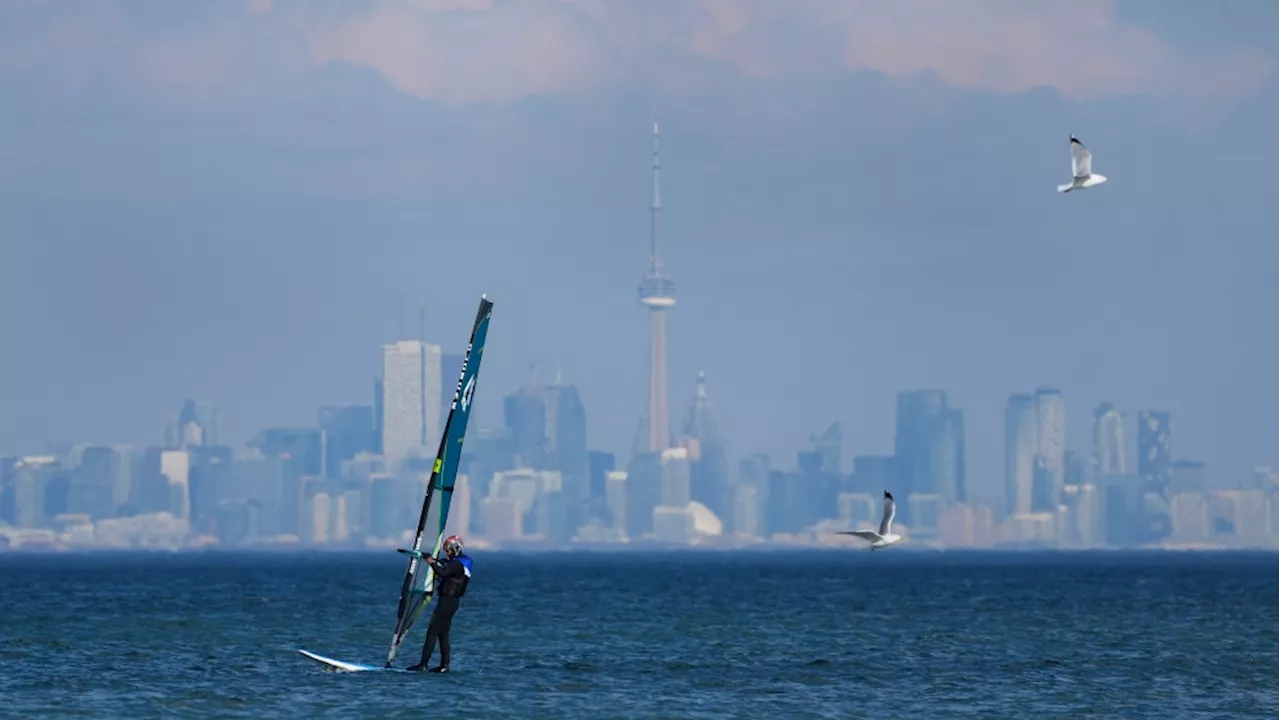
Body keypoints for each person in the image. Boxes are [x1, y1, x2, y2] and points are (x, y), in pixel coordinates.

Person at [407, 534, 472, 673]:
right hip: (451, 602)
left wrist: (431, 562)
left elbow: (443, 572)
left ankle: (423, 664)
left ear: (455, 549)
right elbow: (445, 565)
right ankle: (444, 665)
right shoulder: (461, 562)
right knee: (443, 633)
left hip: (448, 602)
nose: (446, 552)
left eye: (448, 549)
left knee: (432, 631)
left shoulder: (458, 564)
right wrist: (432, 559)